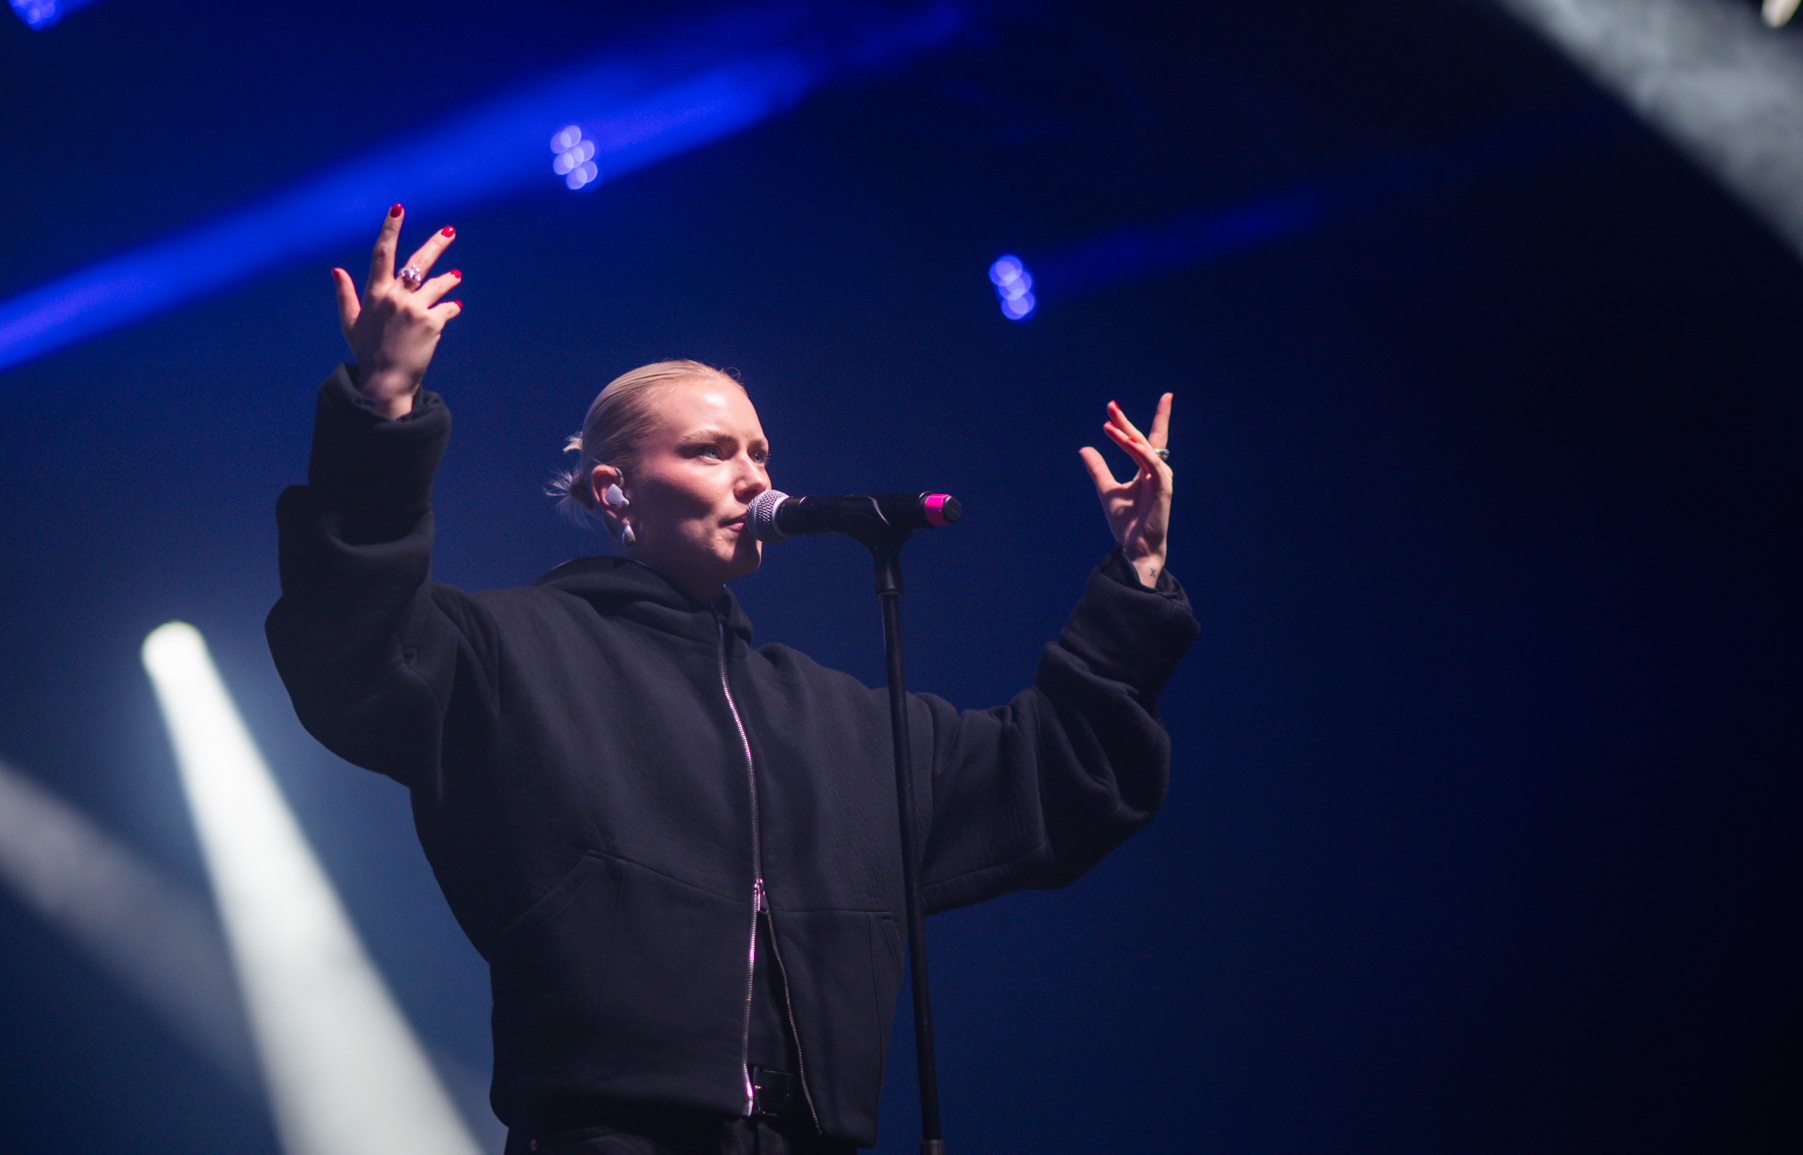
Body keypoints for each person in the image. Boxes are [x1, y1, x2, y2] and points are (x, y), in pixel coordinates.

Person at [266, 206, 1199, 1155]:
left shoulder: (833, 719)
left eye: (760, 453)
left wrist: (1137, 576)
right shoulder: (513, 650)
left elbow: (1053, 775)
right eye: (711, 451)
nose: (752, 477)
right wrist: (381, 407)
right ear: (614, 491)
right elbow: (354, 643)